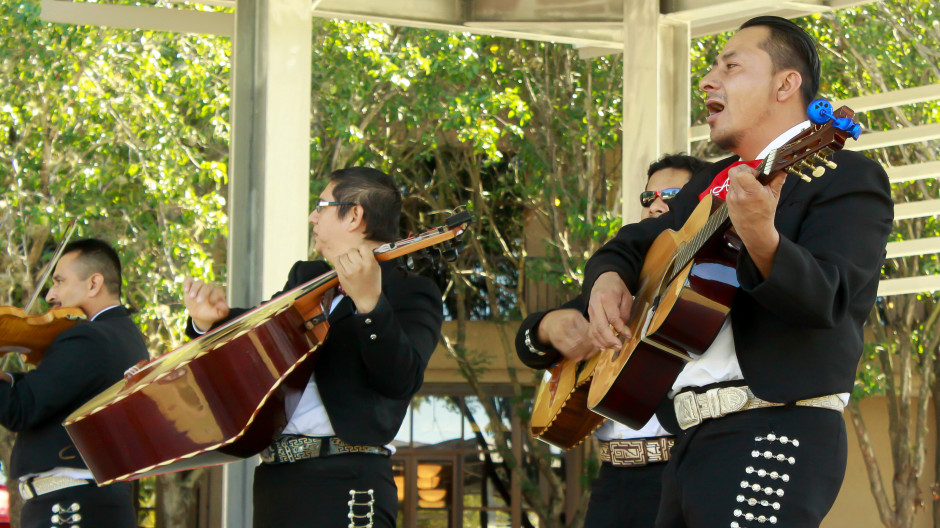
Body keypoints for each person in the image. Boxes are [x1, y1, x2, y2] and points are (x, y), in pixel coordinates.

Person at [582, 16, 893, 528]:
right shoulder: (708, 184)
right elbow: (631, 245)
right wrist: (607, 280)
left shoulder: (846, 178)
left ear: (785, 84)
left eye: (730, 66)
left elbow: (829, 301)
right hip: (687, 441)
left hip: (776, 427)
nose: (708, 80)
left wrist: (764, 240)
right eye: (710, 69)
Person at [183, 167, 444, 528]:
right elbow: (263, 334)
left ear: (354, 214)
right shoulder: (307, 278)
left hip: (349, 479)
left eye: (321, 206)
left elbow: (401, 378)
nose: (312, 216)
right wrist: (210, 322)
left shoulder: (411, 292)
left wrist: (370, 305)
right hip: (277, 479)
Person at [516, 154, 707, 527]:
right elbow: (528, 343)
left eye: (671, 193)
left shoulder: (705, 283)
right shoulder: (623, 277)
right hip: (611, 478)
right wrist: (549, 327)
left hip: (679, 472)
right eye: (647, 196)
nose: (656, 203)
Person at [0, 238, 148, 528]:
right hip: (86, 505)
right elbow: (47, 387)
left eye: (59, 281)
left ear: (94, 284)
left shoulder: (88, 338)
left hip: (69, 510)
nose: (51, 296)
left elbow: (21, 408)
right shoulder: (125, 336)